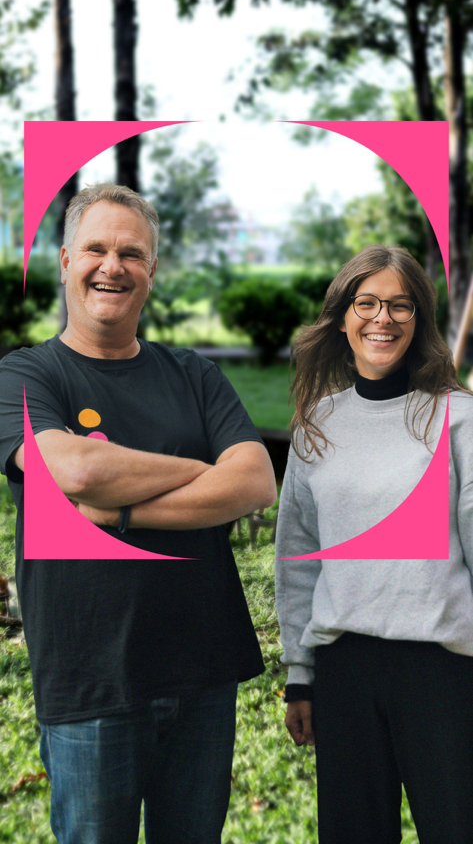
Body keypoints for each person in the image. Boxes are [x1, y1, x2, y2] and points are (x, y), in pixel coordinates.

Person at [0, 182, 277, 844]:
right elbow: (77, 470)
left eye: (132, 252)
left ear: (151, 271)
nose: (112, 265)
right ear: (65, 260)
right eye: (95, 248)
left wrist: (117, 511)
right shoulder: (26, 376)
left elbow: (257, 479)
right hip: (90, 678)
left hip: (203, 668)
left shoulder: (193, 373)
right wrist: (204, 471)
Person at [275, 244, 473, 844]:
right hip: (343, 671)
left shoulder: (458, 418)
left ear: (420, 321)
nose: (382, 318)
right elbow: (297, 558)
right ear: (342, 316)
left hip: (443, 670)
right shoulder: (317, 423)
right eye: (367, 302)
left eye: (400, 305)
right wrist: (300, 673)